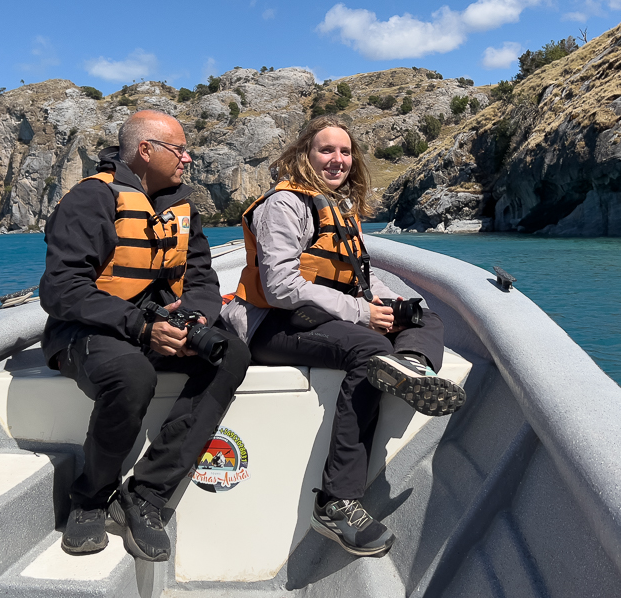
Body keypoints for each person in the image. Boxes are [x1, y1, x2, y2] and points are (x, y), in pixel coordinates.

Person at [221, 115, 465, 558]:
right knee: (369, 348)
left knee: (424, 318)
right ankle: (336, 502)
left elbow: (359, 278)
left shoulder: (338, 207)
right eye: (327, 150)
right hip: (269, 323)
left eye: (345, 152)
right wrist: (362, 313)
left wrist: (390, 306)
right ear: (305, 155)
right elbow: (280, 287)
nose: (338, 159)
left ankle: (410, 366)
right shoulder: (284, 205)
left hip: (320, 317)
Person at [39, 110, 250, 562]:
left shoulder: (182, 207)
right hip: (87, 331)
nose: (187, 158)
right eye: (179, 149)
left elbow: (201, 278)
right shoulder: (91, 199)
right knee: (132, 375)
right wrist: (141, 326)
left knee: (230, 353)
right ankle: (91, 498)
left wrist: (191, 319)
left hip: (157, 324)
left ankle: (146, 494)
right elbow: (61, 290)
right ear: (146, 150)